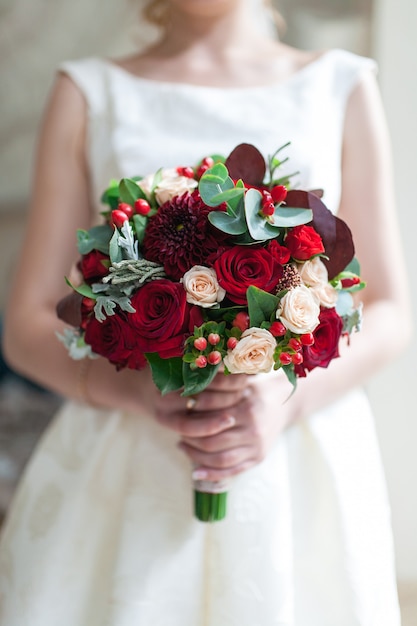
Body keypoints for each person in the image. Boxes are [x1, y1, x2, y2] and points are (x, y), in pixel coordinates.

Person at [0, 0, 412, 624]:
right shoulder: (87, 90)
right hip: (129, 455)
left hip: (296, 454)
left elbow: (389, 309)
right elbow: (28, 324)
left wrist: (283, 401)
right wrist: (141, 393)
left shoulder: (341, 82)